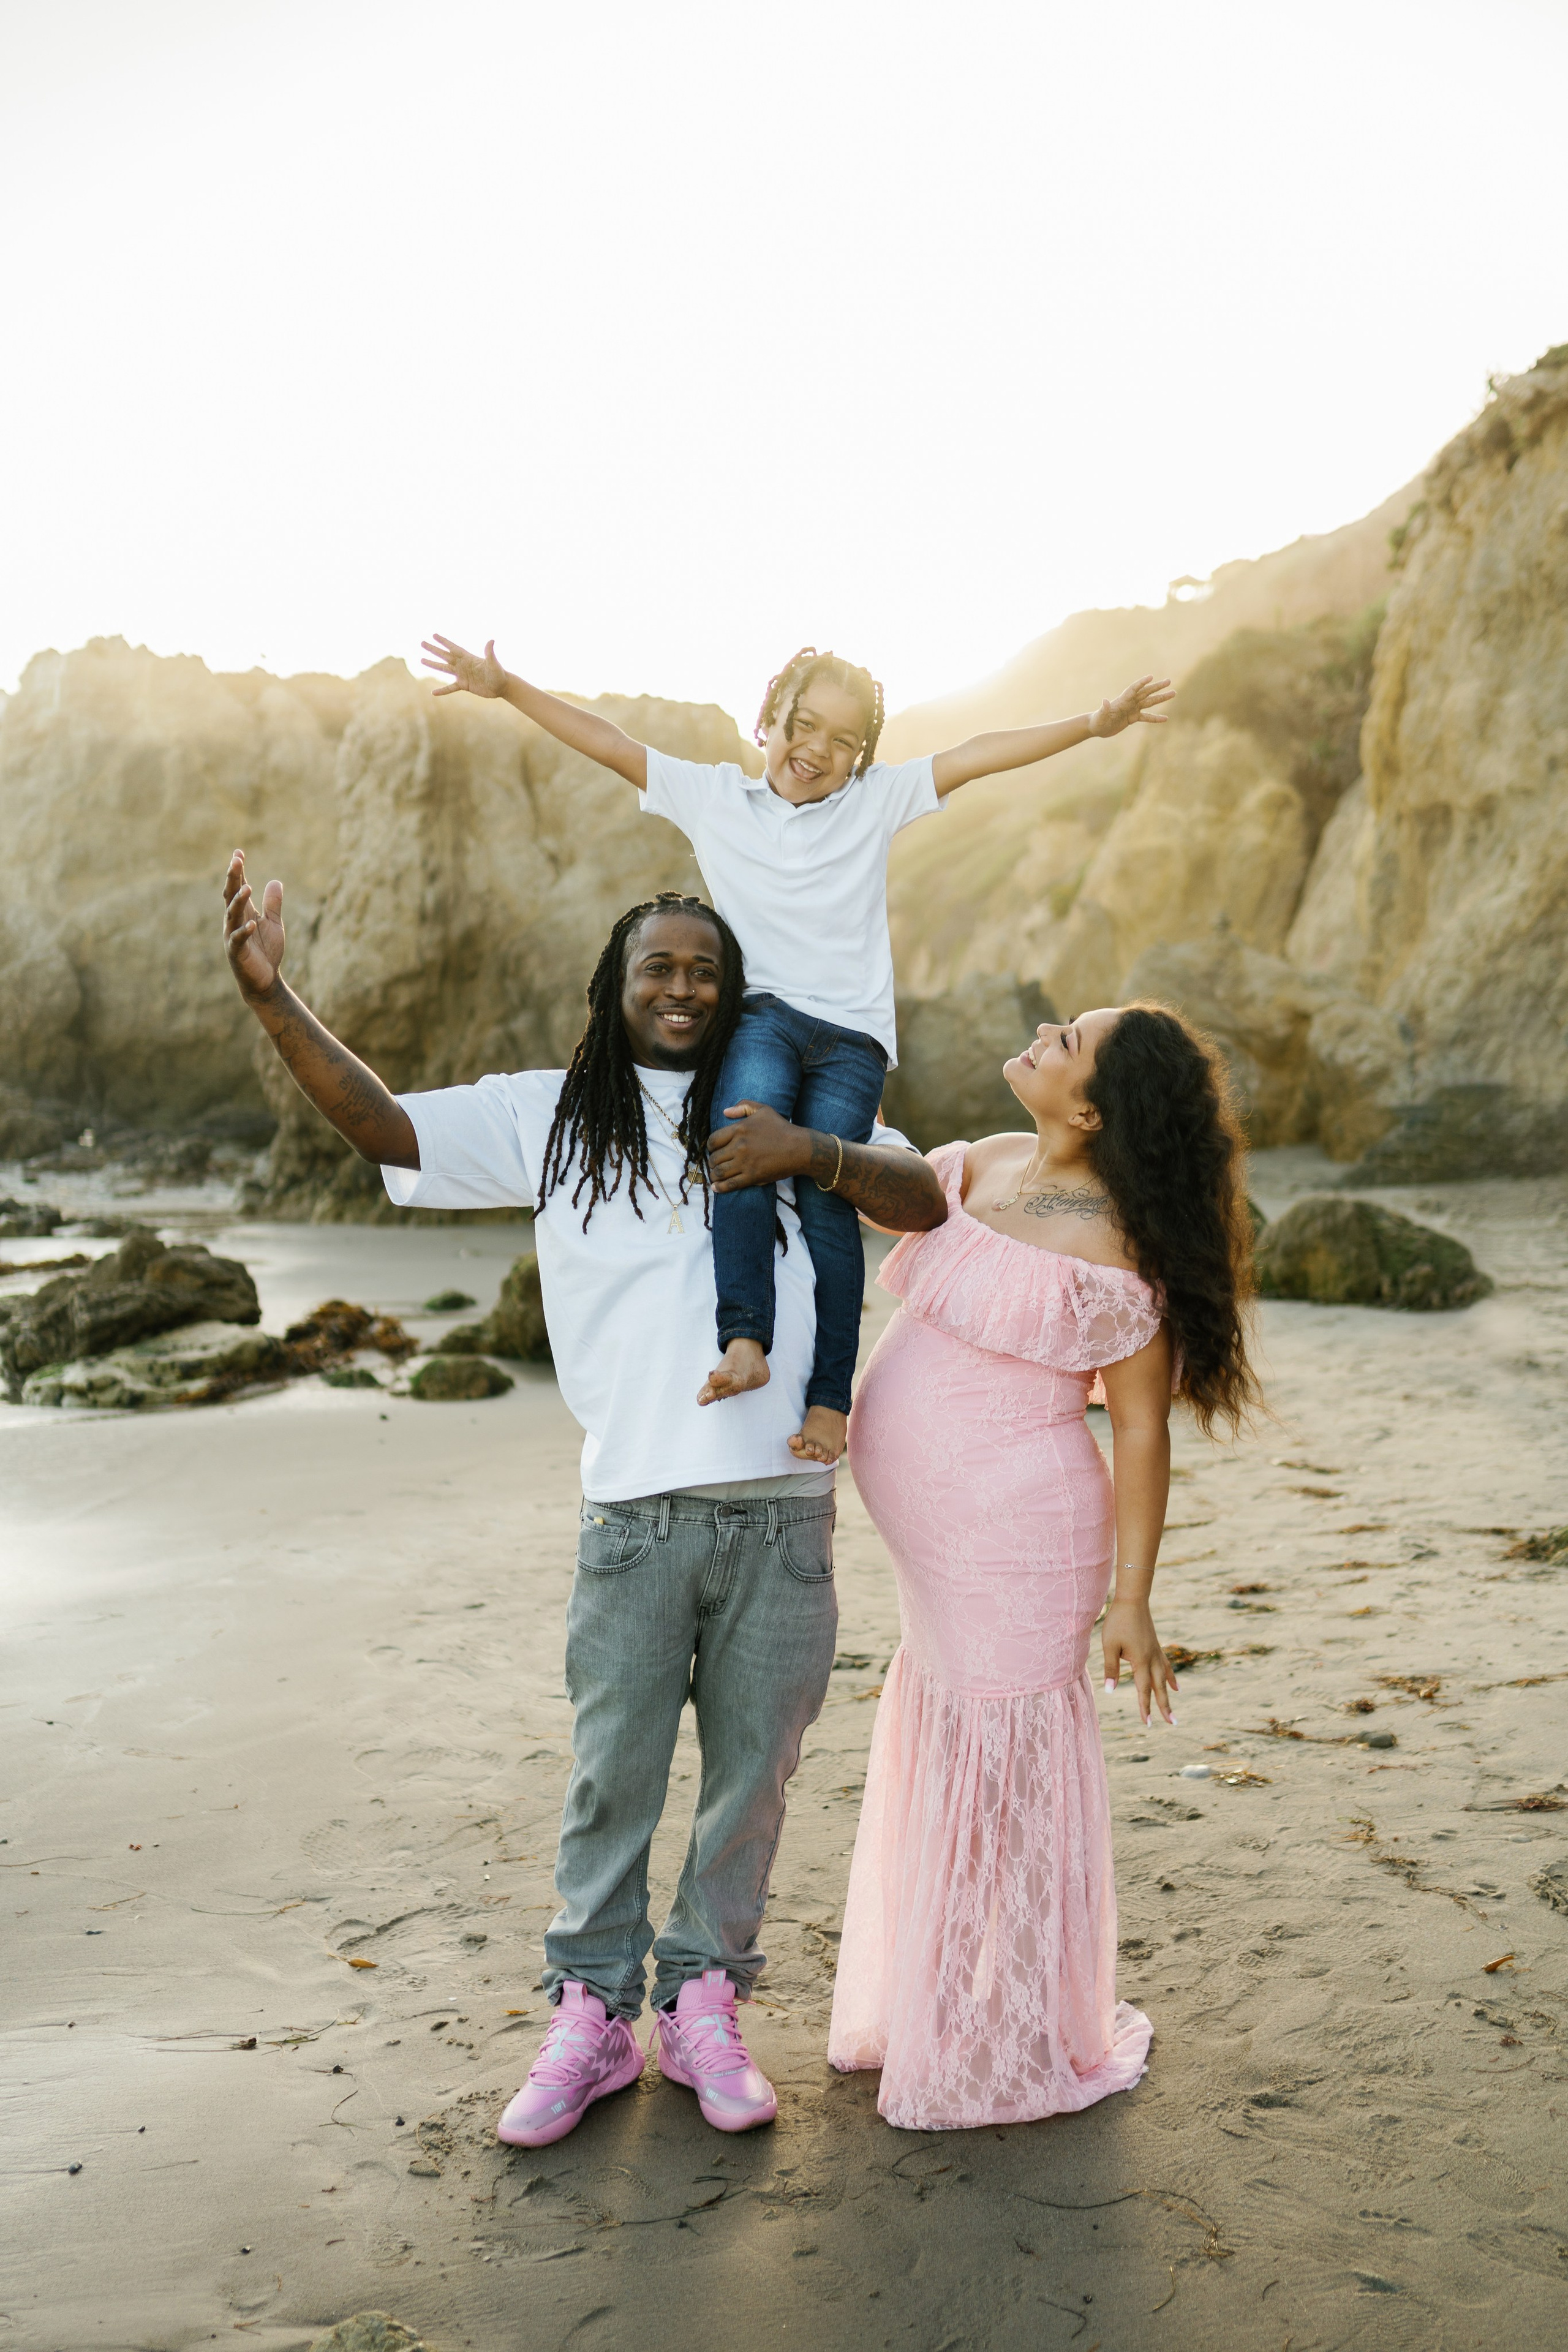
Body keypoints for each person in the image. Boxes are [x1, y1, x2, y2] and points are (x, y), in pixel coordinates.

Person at [219, 850, 946, 2147]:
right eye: (657, 967)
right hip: (633, 1521)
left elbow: (923, 1199)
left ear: (735, 991)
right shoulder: (552, 1113)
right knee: (612, 1783)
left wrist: (813, 1153)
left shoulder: (784, 1100)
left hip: (784, 1514)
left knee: (752, 1786)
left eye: (706, 971)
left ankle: (704, 2004)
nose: (682, 988)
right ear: (616, 985)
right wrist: (276, 1000)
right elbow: (383, 1128)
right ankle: (593, 2018)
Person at [420, 633, 1172, 1470]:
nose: (817, 750)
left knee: (827, 1200)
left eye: (843, 741)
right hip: (763, 1019)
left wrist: (1094, 724)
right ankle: (745, 1339)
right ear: (769, 718)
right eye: (804, 725)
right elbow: (609, 743)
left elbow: (978, 754)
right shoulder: (713, 797)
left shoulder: (875, 802)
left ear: (862, 756)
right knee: (740, 1148)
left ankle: (829, 1400)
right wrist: (507, 687)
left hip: (853, 1040)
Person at [826, 1001, 1261, 2131]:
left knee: (1001, 1791)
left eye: (1069, 1038)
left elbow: (1143, 1430)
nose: (1042, 1028)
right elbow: (873, 1182)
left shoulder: (1120, 1242)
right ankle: (939, 2012)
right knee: (956, 1759)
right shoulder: (987, 1161)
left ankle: (1001, 2042)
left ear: (1095, 1110)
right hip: (939, 1557)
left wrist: (1132, 1600)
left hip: (1020, 1544)